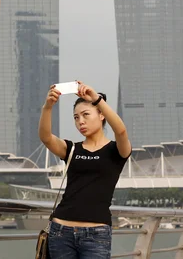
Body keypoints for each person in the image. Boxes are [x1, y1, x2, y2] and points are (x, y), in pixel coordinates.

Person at [38, 81, 132, 258]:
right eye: (76, 117)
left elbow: (121, 131)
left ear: (101, 115)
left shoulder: (116, 150)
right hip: (60, 231)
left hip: (96, 234)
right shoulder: (72, 148)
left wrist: (96, 99)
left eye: (85, 115)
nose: (80, 121)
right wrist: (48, 107)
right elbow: (45, 138)